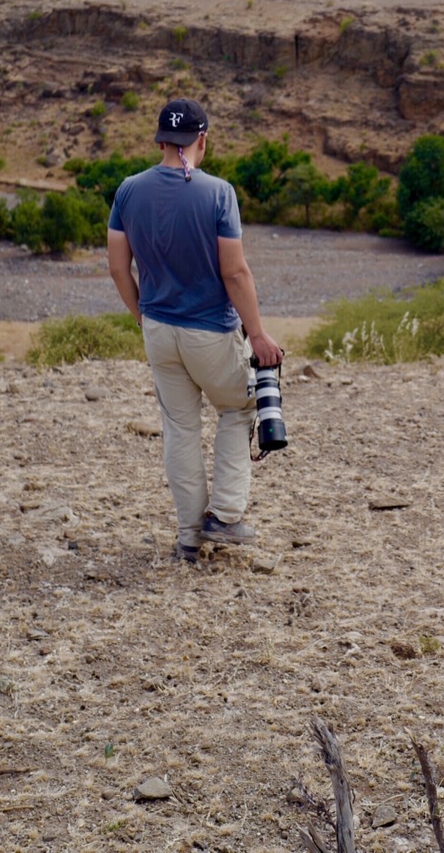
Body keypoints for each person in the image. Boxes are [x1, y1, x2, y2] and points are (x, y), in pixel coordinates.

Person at [106, 97, 284, 564]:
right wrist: (259, 334)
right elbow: (236, 274)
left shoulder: (128, 190)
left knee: (180, 428)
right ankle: (224, 516)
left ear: (162, 139)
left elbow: (117, 265)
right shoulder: (219, 194)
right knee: (241, 404)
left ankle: (188, 537)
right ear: (201, 139)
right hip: (210, 331)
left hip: (159, 330)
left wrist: (140, 313)